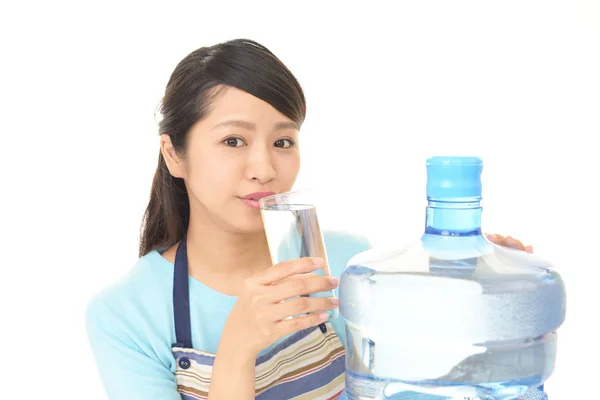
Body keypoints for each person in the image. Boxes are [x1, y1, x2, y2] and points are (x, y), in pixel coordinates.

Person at [85, 39, 534, 400]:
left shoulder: (344, 261)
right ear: (173, 155)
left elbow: (423, 377)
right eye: (234, 140)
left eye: (283, 142)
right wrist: (238, 348)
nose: (263, 168)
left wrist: (482, 292)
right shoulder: (125, 315)